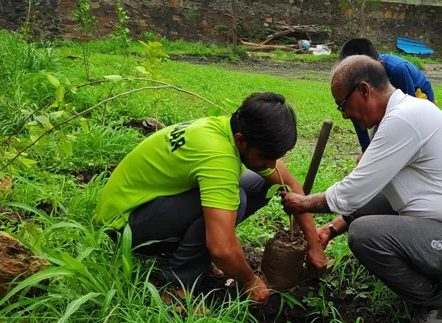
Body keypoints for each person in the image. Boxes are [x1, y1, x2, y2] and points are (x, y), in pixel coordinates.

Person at [280, 56, 442, 323]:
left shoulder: (403, 120)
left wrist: (305, 203)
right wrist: (332, 229)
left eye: (342, 104)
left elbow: (353, 192)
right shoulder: (400, 116)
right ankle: (431, 285)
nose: (345, 115)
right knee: (369, 217)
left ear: (363, 90)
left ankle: (437, 307)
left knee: (365, 235)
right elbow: (382, 192)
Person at [96, 93, 327, 305]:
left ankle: (194, 258)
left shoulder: (229, 128)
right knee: (235, 200)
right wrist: (249, 280)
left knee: (257, 184)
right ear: (240, 140)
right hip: (124, 225)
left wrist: (314, 245)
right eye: (266, 157)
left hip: (150, 205)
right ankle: (175, 288)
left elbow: (290, 185)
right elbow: (222, 248)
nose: (270, 165)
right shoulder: (217, 156)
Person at [316, 38, 436, 249]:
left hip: (417, 98)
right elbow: (360, 123)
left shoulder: (398, 70)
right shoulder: (357, 93)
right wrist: (368, 153)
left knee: (399, 164)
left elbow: (406, 117)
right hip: (382, 106)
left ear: (377, 67)